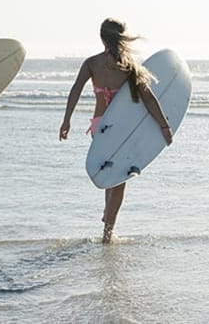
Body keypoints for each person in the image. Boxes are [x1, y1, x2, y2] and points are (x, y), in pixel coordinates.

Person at [59, 18, 173, 243]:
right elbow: (148, 99)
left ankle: (107, 215)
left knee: (109, 170)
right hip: (123, 128)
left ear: (101, 37)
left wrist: (66, 121)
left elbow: (75, 91)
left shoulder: (92, 63)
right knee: (119, 178)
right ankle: (108, 232)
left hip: (100, 126)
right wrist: (164, 125)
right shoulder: (130, 66)